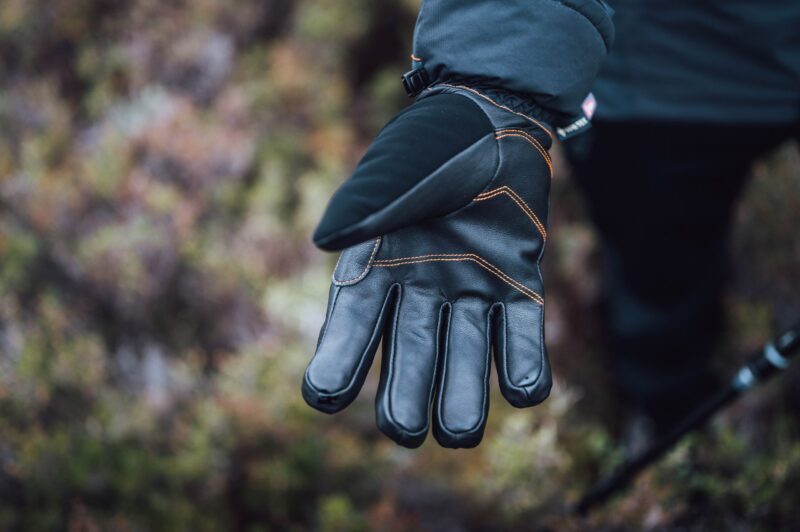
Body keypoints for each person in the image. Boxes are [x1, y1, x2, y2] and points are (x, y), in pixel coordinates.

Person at [301, 0, 800, 447]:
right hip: (663, 68)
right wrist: (498, 72)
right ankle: (668, 405)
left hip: (663, 72)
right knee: (659, 273)